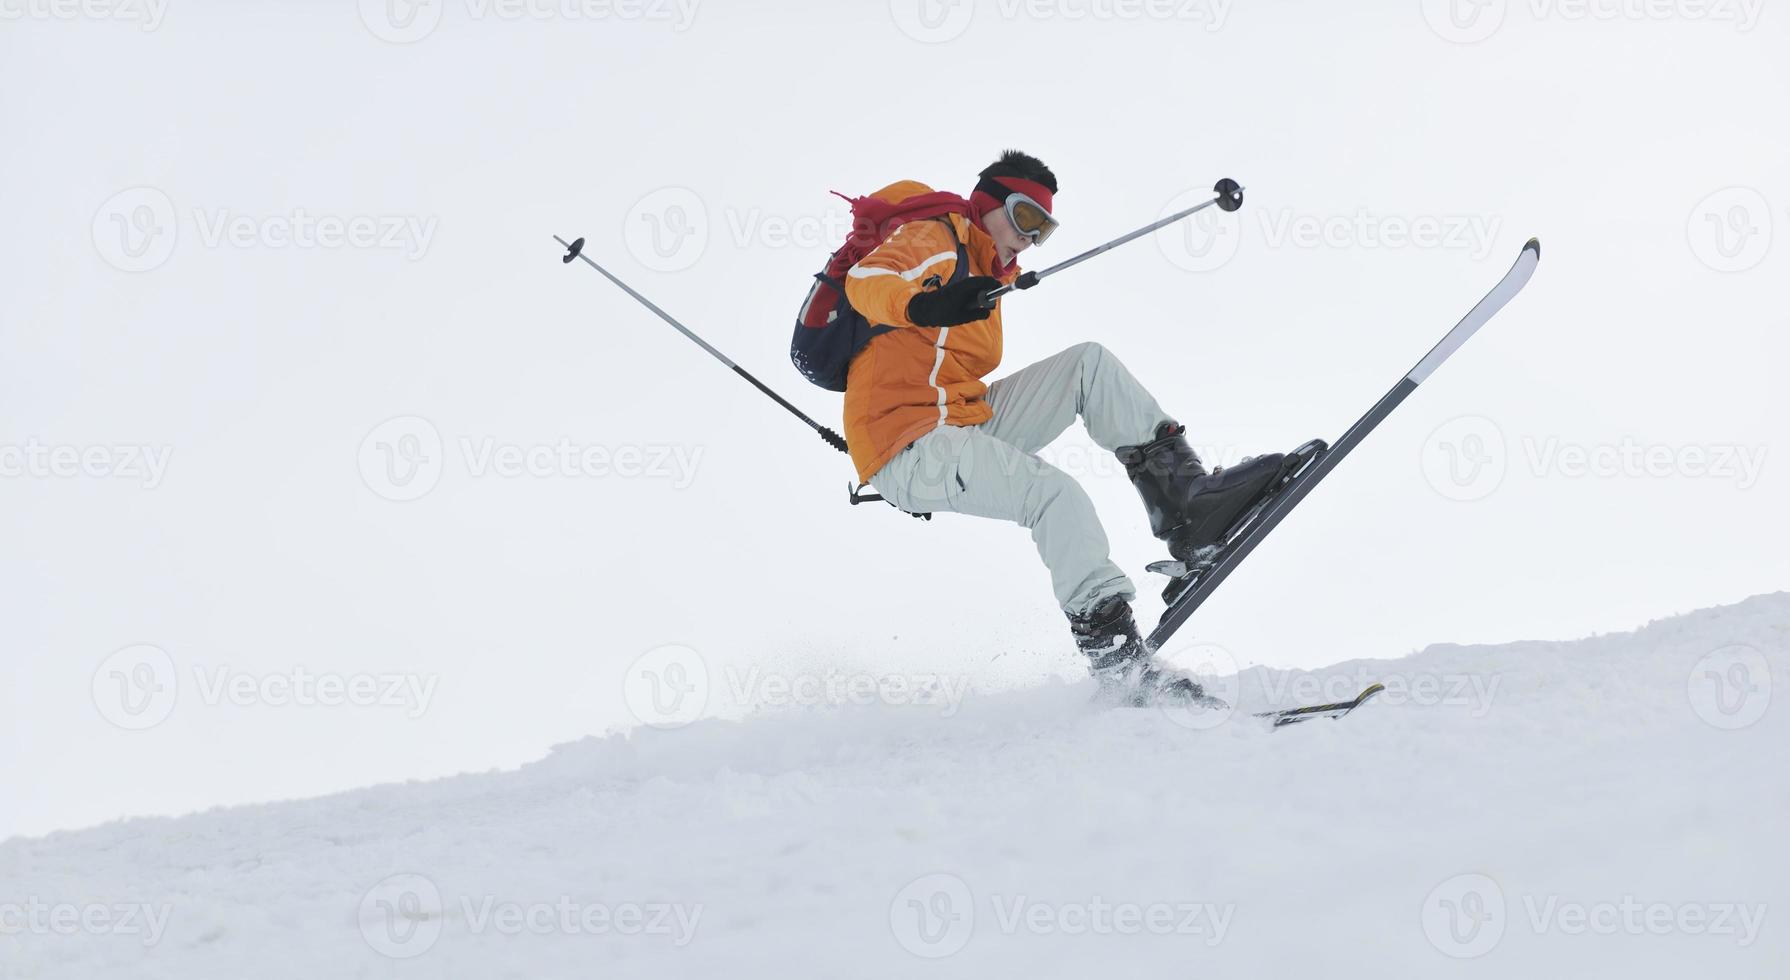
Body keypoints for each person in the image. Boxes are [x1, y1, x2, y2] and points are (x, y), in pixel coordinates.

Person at [842, 150, 1291, 705]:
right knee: (1056, 495)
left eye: (1045, 229)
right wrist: (921, 305)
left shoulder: (985, 272)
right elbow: (866, 279)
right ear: (989, 204)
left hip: (961, 421)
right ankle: (1115, 658)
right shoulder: (937, 238)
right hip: (905, 442)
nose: (1032, 240)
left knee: (1088, 364)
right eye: (1027, 218)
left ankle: (1188, 508)